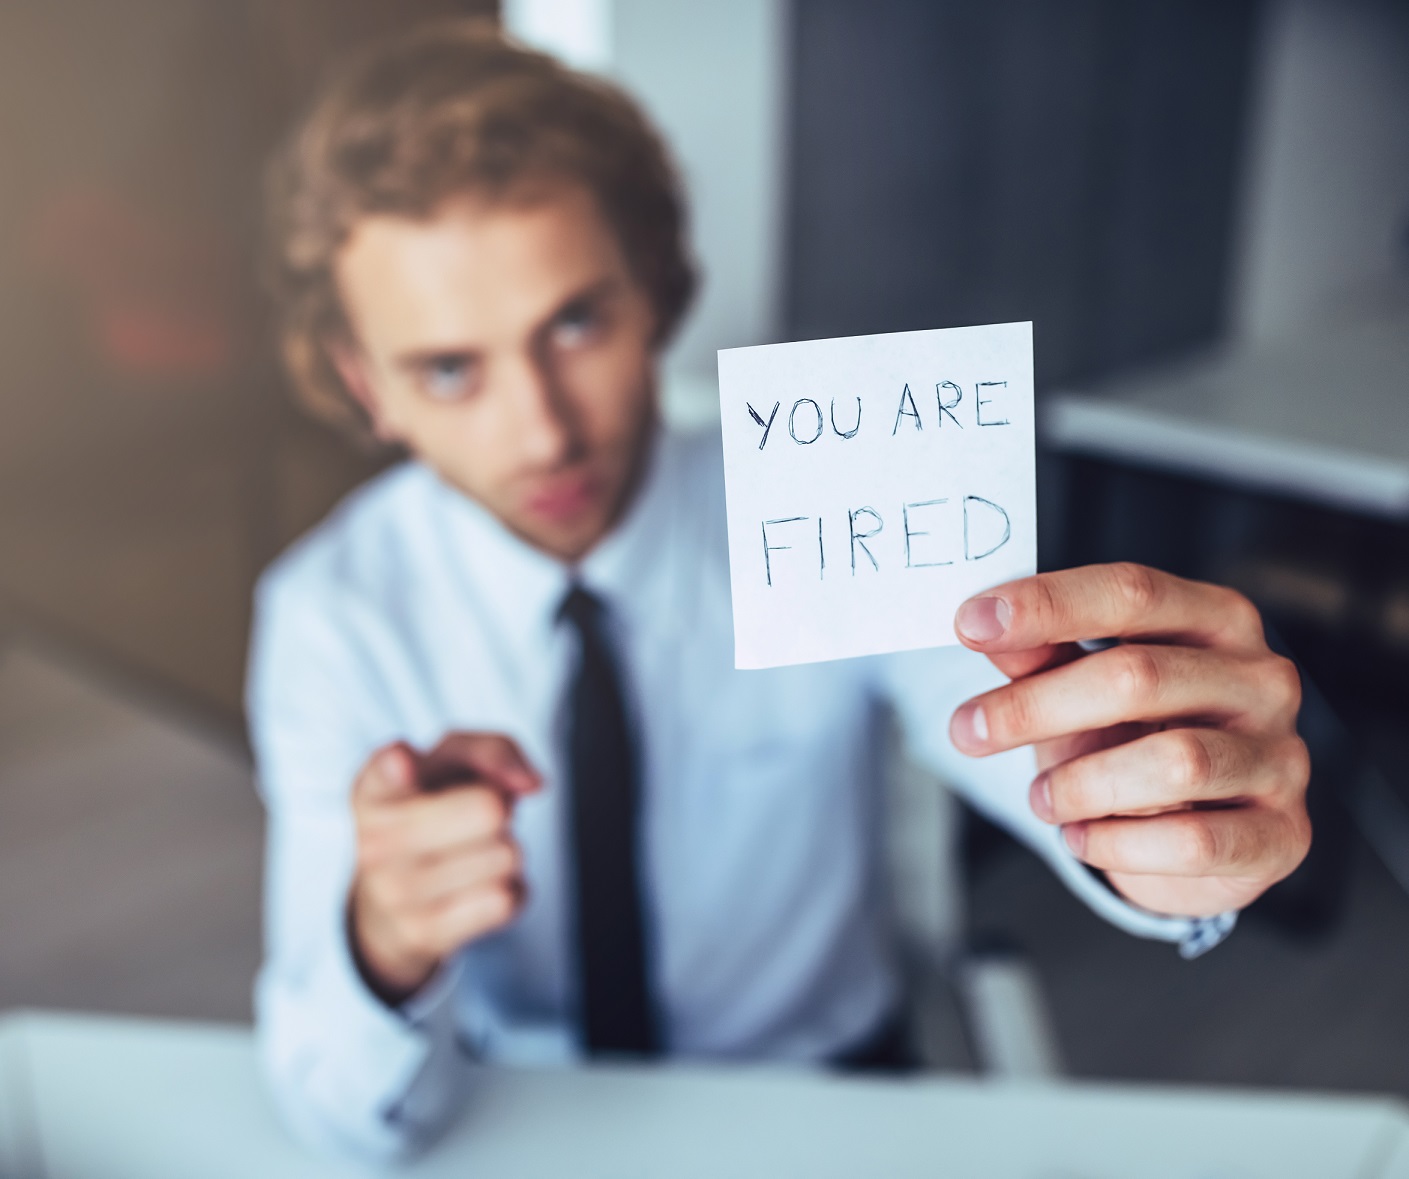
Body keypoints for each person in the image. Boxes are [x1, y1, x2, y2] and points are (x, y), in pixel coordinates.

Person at [249, 20, 1311, 1161]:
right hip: (521, 1122)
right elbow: (333, 1112)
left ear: (654, 291)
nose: (542, 432)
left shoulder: (828, 496)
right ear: (369, 388)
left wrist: (1162, 818)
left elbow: (1035, 751)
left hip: (832, 1103)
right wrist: (382, 943)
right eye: (449, 370)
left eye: (574, 323)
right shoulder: (329, 617)